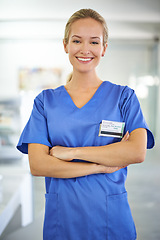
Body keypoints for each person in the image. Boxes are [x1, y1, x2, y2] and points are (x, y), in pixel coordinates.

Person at [17, 8, 154, 240]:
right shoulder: (45, 102)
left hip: (111, 220)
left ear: (104, 48)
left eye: (94, 41)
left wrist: (71, 153)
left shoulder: (124, 98)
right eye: (77, 40)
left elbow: (136, 151)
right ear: (65, 45)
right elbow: (39, 164)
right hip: (63, 220)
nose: (85, 49)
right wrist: (99, 166)